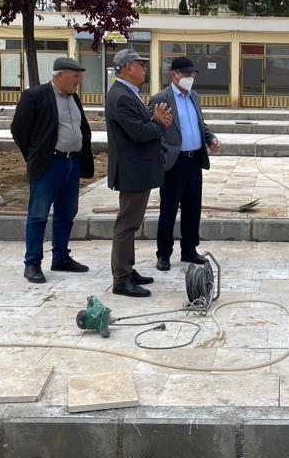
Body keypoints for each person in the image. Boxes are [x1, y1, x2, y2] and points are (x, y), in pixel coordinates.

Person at [10, 56, 94, 283]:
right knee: (38, 214)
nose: (78, 81)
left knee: (67, 212)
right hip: (49, 164)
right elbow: (19, 130)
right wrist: (35, 156)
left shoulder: (73, 97)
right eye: (75, 76)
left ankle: (60, 257)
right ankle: (32, 263)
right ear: (59, 75)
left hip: (72, 163)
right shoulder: (35, 95)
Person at [105, 48, 171, 297]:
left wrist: (156, 121)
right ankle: (121, 278)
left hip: (137, 168)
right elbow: (139, 133)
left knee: (131, 223)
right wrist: (159, 122)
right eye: (140, 64)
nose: (144, 68)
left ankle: (127, 269)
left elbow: (142, 126)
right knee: (126, 224)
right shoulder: (121, 96)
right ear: (128, 67)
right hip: (132, 169)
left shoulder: (127, 93)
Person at [151, 56, 221, 271]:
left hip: (194, 160)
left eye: (193, 74)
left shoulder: (194, 97)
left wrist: (210, 138)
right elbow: (153, 130)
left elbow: (200, 125)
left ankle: (189, 250)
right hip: (174, 162)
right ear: (174, 74)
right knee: (169, 209)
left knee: (192, 208)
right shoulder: (161, 98)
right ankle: (164, 254)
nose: (190, 77)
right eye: (186, 73)